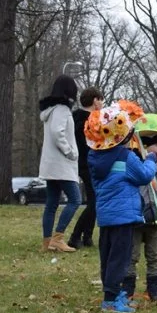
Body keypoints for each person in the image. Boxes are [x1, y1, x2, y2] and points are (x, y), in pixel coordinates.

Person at [84, 100, 157, 313]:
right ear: (124, 136)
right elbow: (144, 176)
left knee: (108, 257)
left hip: (106, 216)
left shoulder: (94, 158)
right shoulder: (126, 157)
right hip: (124, 216)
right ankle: (110, 300)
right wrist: (151, 159)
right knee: (120, 258)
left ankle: (112, 294)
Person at [125, 114, 157, 303]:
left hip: (156, 218)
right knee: (132, 255)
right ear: (145, 145)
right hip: (137, 217)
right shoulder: (134, 161)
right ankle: (127, 288)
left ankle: (154, 288)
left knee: (154, 255)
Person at [38, 75, 81, 253]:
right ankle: (58, 238)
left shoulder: (50, 110)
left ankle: (47, 242)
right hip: (62, 164)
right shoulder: (62, 109)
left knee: (52, 203)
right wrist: (70, 152)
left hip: (50, 164)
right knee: (75, 199)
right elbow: (57, 133)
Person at [67, 87, 103, 249]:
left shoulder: (79, 119)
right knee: (95, 201)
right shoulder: (86, 122)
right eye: (100, 99)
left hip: (86, 163)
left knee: (94, 199)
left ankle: (87, 236)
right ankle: (75, 236)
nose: (102, 103)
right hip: (87, 164)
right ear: (95, 100)